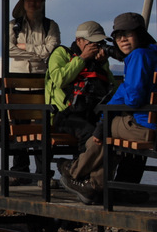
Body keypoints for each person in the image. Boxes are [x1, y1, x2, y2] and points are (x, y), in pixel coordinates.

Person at [59, 12, 157, 205]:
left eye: (128, 34)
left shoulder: (138, 55)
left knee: (105, 126)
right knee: (108, 123)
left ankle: (82, 176)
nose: (122, 39)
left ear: (140, 34)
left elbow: (133, 98)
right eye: (118, 35)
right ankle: (115, 185)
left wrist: (106, 116)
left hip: (147, 126)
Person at [9, 0, 61, 178]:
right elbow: (9, 50)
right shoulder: (14, 25)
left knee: (43, 130)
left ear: (43, 3)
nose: (33, 2)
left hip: (42, 85)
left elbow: (52, 50)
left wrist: (24, 47)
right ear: (23, 2)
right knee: (18, 129)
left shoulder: (50, 25)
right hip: (18, 84)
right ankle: (20, 172)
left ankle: (43, 173)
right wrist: (38, 51)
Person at [44, 21, 115, 155]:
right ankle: (79, 173)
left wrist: (102, 64)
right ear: (79, 41)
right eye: (92, 42)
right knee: (90, 132)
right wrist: (82, 59)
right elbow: (59, 80)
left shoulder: (98, 60)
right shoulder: (61, 53)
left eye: (100, 43)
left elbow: (111, 88)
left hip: (91, 112)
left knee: (109, 131)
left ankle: (80, 170)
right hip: (63, 114)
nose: (96, 46)